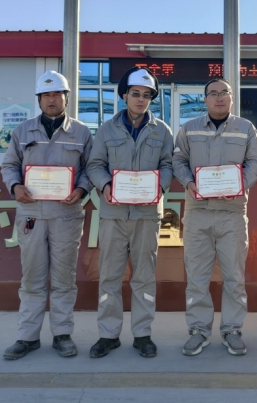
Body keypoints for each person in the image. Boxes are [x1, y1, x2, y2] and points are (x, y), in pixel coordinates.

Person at [0, 70, 93, 360]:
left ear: (66, 98)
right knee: (32, 277)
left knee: (64, 277)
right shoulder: (22, 131)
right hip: (32, 214)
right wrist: (15, 186)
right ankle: (27, 337)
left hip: (66, 214)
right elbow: (9, 165)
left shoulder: (82, 132)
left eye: (57, 94)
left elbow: (91, 168)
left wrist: (82, 189)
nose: (52, 99)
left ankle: (62, 335)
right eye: (46, 95)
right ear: (39, 99)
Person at [85, 67, 173, 359]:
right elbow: (95, 165)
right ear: (124, 95)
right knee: (109, 276)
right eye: (135, 93)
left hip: (147, 215)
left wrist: (159, 186)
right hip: (113, 214)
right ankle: (108, 335)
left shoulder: (162, 131)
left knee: (144, 277)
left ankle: (142, 334)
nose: (141, 99)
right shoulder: (106, 130)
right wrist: (105, 184)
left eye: (147, 95)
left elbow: (168, 165)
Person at [172, 78, 257, 356]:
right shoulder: (189, 128)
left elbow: (254, 162)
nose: (219, 97)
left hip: (232, 213)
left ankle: (232, 329)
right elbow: (178, 161)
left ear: (232, 97)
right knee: (197, 277)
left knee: (234, 276)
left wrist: (240, 185)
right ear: (205, 99)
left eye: (224, 93)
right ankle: (198, 330)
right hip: (197, 212)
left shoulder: (246, 128)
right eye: (213, 93)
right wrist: (189, 182)